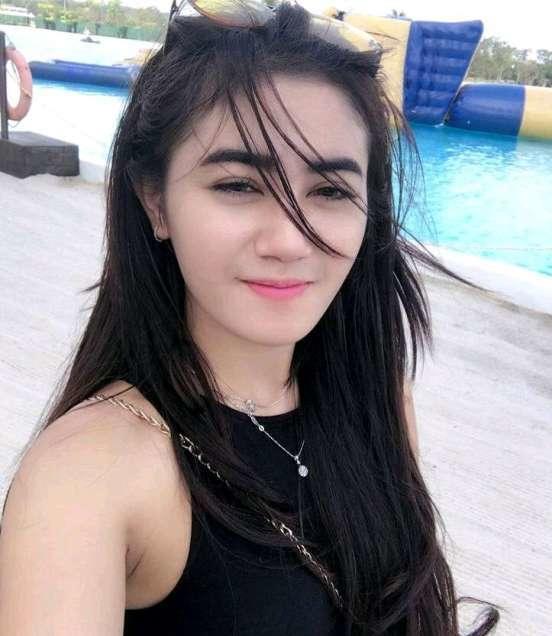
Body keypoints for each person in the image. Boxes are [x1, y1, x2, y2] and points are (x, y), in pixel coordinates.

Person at [0, 1, 501, 634]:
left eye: (330, 191)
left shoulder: (376, 397)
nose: (289, 240)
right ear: (155, 201)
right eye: (238, 185)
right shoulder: (89, 475)